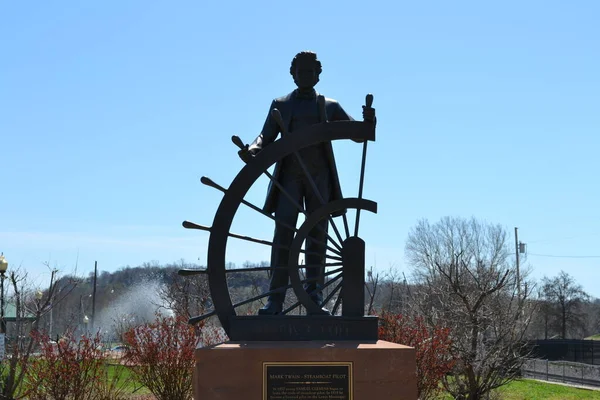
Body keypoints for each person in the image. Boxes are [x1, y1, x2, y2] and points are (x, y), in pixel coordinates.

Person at [239, 51, 376, 315]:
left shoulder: (329, 106)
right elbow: (264, 137)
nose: (305, 77)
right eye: (300, 72)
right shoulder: (281, 104)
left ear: (318, 75)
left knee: (318, 237)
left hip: (319, 178)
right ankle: (274, 300)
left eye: (309, 72)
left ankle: (314, 297)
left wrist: (369, 121)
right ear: (293, 75)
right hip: (288, 179)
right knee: (283, 238)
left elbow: (356, 134)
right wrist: (252, 151)